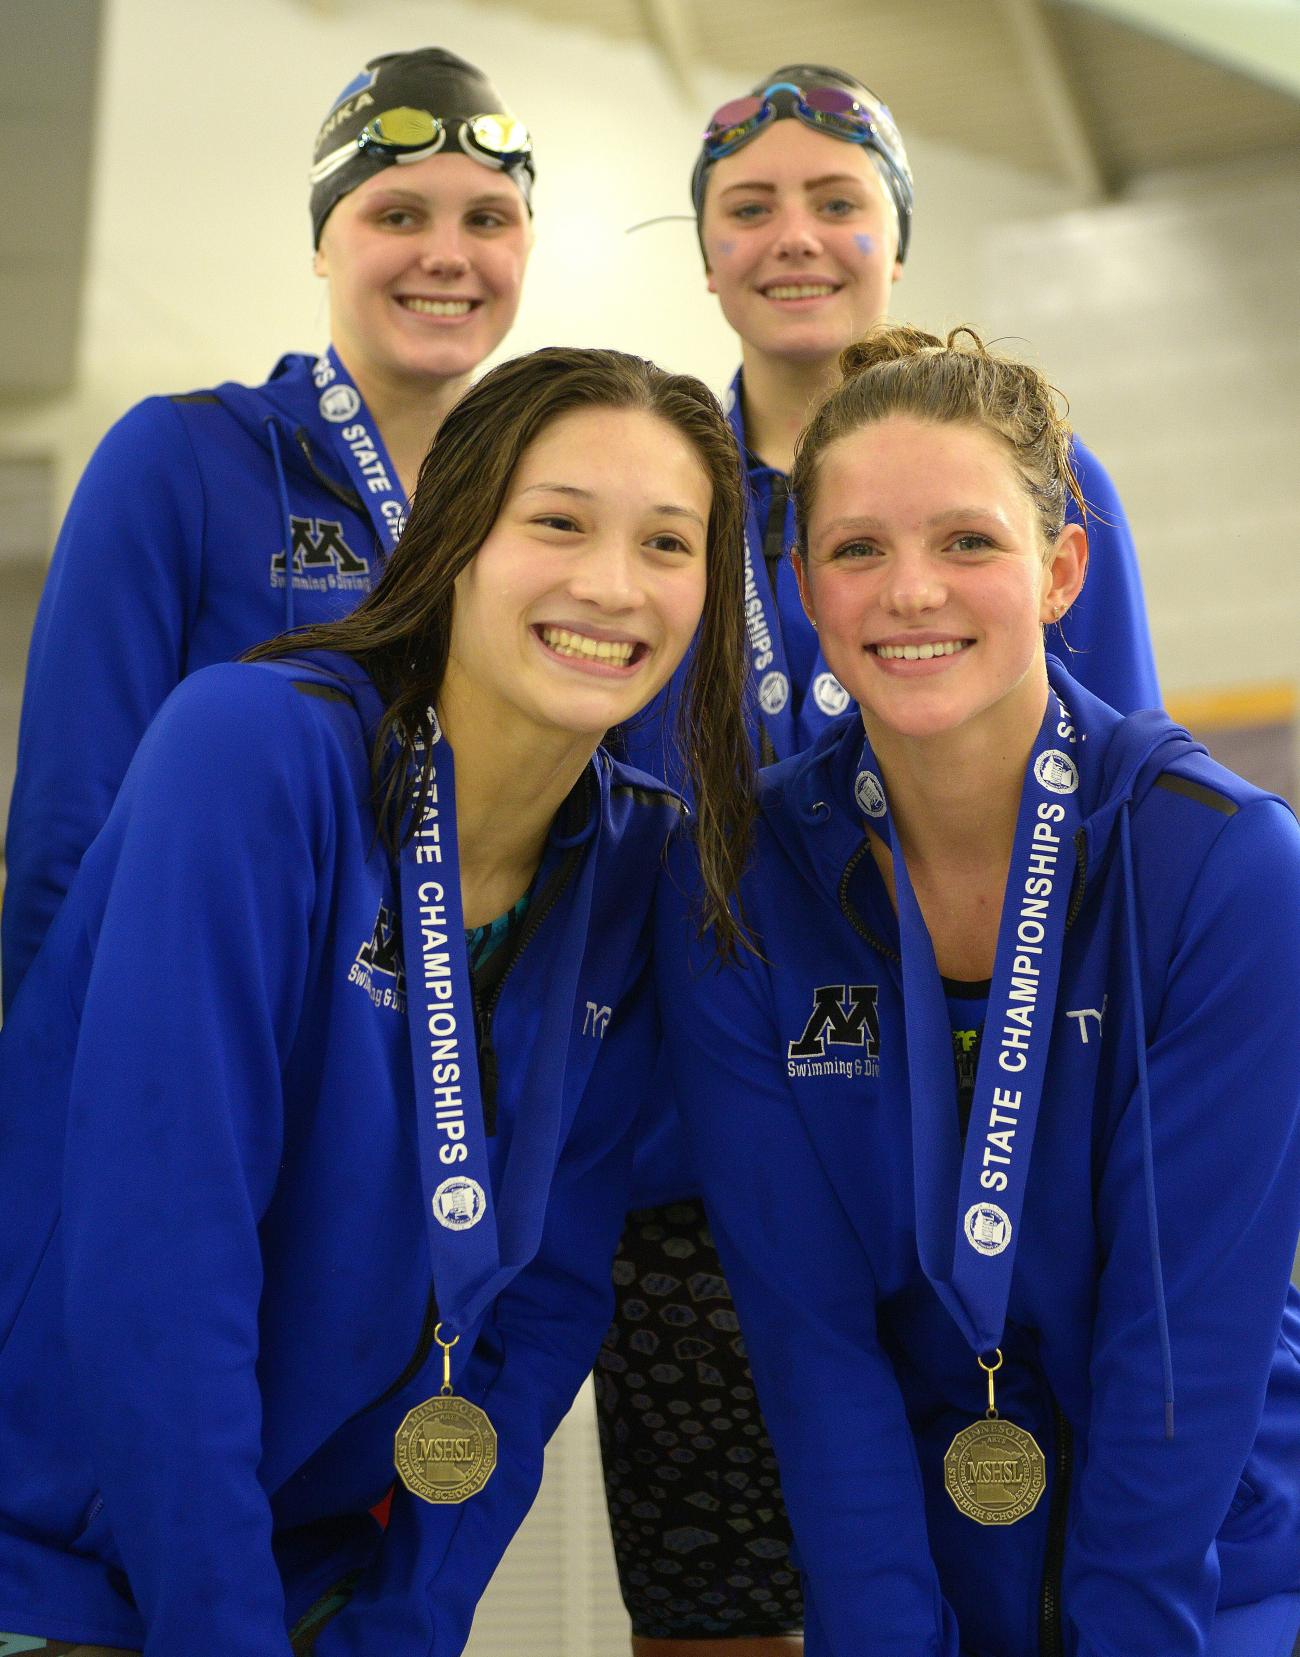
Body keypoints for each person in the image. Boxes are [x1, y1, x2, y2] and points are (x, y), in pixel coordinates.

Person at [0, 345, 755, 1655]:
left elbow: (544, 1303)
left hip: (317, 1574)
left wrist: (407, 1620)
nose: (610, 585)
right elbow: (162, 1262)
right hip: (59, 1557)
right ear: (457, 537)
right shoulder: (248, 754)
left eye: (669, 544)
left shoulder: (638, 864)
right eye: (558, 523)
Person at [598, 66, 1162, 1654]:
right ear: (703, 254)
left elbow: (1111, 822)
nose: (797, 237)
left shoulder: (1039, 479)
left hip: (980, 1161)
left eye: (837, 199)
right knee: (723, 1615)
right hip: (699, 1164)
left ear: (896, 236)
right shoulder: (656, 494)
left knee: (996, 1591)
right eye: (749, 207)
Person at [656, 323, 1300, 1656]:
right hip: (917, 1568)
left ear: (1060, 571)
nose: (910, 593)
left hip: (1219, 1561)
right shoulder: (738, 881)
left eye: (967, 543)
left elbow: (1183, 1345)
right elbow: (811, 1340)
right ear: (801, 585)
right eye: (858, 550)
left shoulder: (1222, 864)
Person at [2, 46, 536, 1015]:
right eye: (398, 214)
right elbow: (66, 821)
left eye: (487, 219)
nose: (447, 254)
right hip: (223, 1017)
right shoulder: (184, 456)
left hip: (455, 1054)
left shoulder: (547, 501)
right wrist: (55, 1104)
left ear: (526, 248)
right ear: (323, 243)